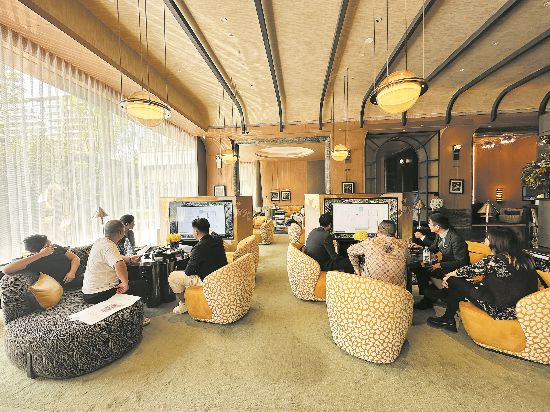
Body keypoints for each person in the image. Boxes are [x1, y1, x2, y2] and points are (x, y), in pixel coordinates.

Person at [427, 228, 540, 332]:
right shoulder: (526, 257)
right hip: (521, 308)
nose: (484, 240)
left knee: (454, 280)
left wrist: (448, 276)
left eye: (487, 238)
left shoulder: (497, 260)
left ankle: (446, 308)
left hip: (501, 309)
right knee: (461, 284)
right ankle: (447, 313)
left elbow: (469, 270)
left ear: (495, 241)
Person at [82, 220, 149, 325]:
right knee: (141, 284)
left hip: (88, 293)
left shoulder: (100, 242)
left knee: (131, 275)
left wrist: (129, 259)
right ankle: (138, 318)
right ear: (120, 232)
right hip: (99, 294)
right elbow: (119, 264)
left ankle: (133, 311)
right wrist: (125, 284)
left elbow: (115, 257)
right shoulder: (110, 246)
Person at [168, 218, 228, 314]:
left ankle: (184, 304)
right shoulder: (217, 240)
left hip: (207, 281)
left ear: (196, 232)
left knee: (173, 277)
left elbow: (188, 272)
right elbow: (214, 234)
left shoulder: (198, 248)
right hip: (220, 276)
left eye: (193, 231)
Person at [413, 213, 469, 309]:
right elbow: (433, 248)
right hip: (444, 265)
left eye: (430, 223)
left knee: (423, 270)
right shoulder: (440, 235)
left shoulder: (455, 239)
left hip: (454, 269)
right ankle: (428, 296)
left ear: (437, 227)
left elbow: (462, 262)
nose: (428, 225)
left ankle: (429, 297)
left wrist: (440, 265)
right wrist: (419, 248)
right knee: (418, 268)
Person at [3, 235, 82, 290]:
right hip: (73, 282)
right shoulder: (32, 261)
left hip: (80, 271)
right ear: (42, 248)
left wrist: (72, 272)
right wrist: (41, 254)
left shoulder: (56, 247)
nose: (50, 242)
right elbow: (6, 269)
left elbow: (75, 258)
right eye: (47, 243)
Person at [347, 220, 409, 287]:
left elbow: (350, 250)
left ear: (378, 231)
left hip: (373, 287)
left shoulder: (370, 242)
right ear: (395, 233)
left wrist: (357, 269)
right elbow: (409, 261)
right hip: (396, 289)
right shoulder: (404, 245)